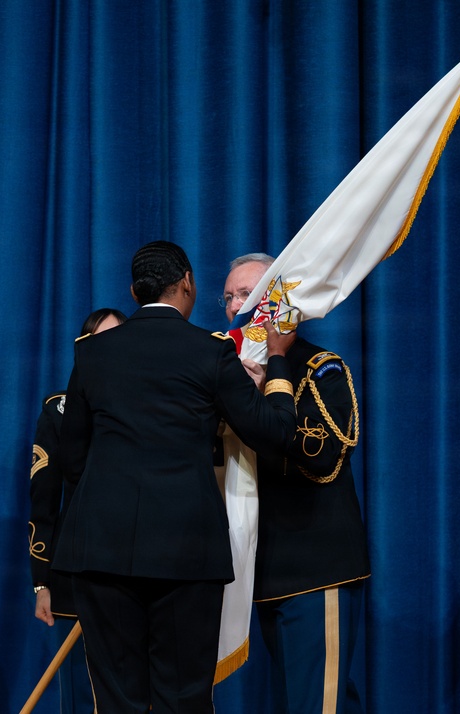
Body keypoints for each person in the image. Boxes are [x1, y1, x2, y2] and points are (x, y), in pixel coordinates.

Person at [52, 241, 298, 714]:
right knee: (183, 699)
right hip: (187, 552)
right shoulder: (211, 352)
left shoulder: (92, 353)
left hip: (101, 550)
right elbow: (273, 433)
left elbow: (72, 456)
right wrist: (279, 361)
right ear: (188, 282)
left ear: (134, 292)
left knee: (117, 701)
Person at [221, 252, 370, 714]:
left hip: (316, 568)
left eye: (247, 294)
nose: (236, 306)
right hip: (266, 572)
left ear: (276, 301)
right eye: (228, 298)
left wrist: (275, 372)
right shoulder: (226, 376)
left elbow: (322, 458)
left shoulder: (321, 367)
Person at [28, 307, 126, 714]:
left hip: (139, 573)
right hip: (76, 573)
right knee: (82, 695)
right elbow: (44, 500)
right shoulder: (60, 410)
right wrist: (41, 582)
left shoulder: (152, 402)